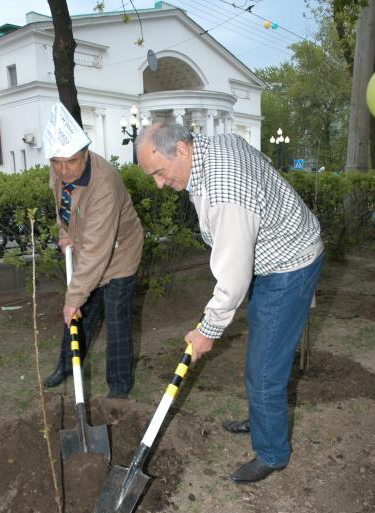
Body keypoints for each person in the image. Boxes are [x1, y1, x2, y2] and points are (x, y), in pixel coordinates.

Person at [135, 122, 323, 483]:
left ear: (182, 149)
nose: (159, 183)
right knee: (263, 346)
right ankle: (263, 421)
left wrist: (208, 330)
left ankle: (272, 454)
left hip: (289, 265)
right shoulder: (211, 147)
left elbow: (234, 276)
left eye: (159, 172)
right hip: (273, 256)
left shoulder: (224, 189)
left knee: (265, 370)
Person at [42, 103, 143, 398]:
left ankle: (119, 385)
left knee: (115, 317)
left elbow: (98, 250)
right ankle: (65, 365)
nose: (63, 169)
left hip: (119, 253)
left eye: (71, 161)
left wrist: (73, 298)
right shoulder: (59, 173)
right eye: (56, 161)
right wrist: (65, 234)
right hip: (88, 247)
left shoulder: (105, 185)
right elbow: (62, 209)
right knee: (78, 315)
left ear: (86, 153)